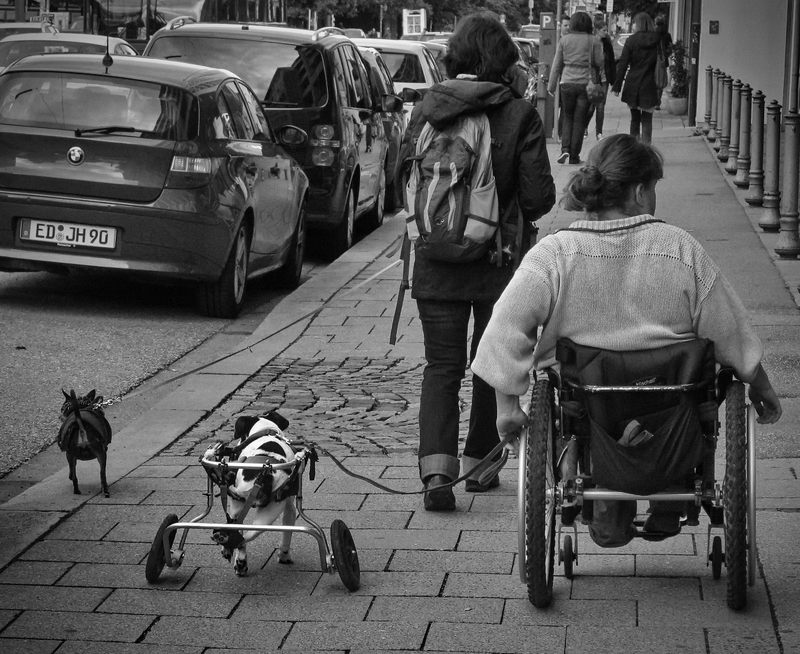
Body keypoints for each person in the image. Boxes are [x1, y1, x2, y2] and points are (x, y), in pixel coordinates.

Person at [471, 134, 782, 543]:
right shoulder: (680, 249)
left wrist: (507, 406)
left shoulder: (555, 255)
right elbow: (731, 333)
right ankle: (670, 500)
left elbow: (503, 329)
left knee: (593, 410)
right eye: (653, 188)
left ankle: (608, 513)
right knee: (685, 396)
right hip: (673, 409)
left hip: (590, 408)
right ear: (639, 191)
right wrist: (760, 386)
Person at [397, 11, 556, 511]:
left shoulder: (426, 109)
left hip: (436, 261)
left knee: (441, 366)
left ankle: (436, 475)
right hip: (497, 263)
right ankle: (481, 469)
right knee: (492, 365)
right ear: (503, 60)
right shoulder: (517, 114)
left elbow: (404, 179)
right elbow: (539, 198)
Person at [547, 11, 603, 165]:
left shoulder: (564, 40)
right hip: (585, 84)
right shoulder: (594, 40)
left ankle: (564, 149)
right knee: (579, 120)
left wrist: (551, 86)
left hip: (566, 83)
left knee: (567, 116)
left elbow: (557, 65)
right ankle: (574, 156)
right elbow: (599, 61)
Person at [611, 12, 661, 144]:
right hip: (649, 84)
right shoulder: (656, 40)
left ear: (638, 24)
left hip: (633, 84)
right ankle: (647, 149)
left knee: (635, 119)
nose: (632, 25)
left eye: (634, 22)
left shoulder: (631, 40)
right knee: (647, 119)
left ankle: (635, 152)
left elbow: (623, 64)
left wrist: (616, 86)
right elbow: (662, 61)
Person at [585, 16, 616, 140]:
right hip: (594, 78)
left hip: (604, 79)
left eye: (606, 30)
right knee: (591, 106)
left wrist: (613, 78)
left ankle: (599, 133)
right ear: (596, 30)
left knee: (601, 106)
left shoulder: (607, 42)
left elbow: (611, 60)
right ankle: (585, 127)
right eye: (604, 30)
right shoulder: (592, 43)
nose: (606, 32)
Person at [654, 14, 673, 110]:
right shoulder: (667, 35)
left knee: (653, 80)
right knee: (660, 81)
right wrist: (665, 56)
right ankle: (658, 102)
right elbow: (670, 48)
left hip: (652, 61)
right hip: (662, 61)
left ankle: (653, 101)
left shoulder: (653, 33)